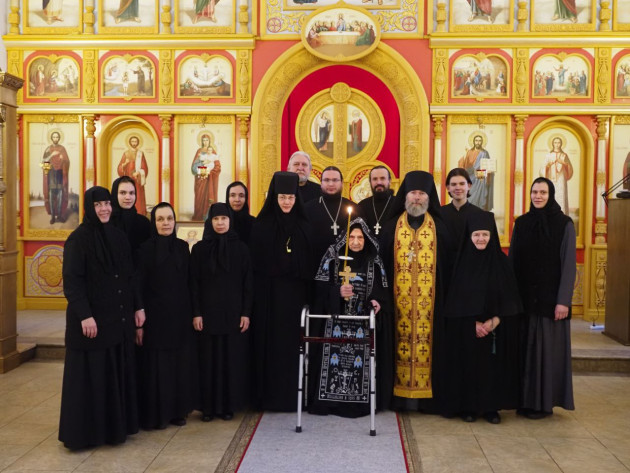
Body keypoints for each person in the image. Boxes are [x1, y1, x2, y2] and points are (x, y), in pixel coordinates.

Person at [59, 186, 140, 449]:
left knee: (111, 375)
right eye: (98, 205)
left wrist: (136, 307)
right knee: (91, 378)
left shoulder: (117, 236)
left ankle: (113, 431)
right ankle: (86, 435)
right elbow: (72, 282)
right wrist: (85, 316)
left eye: (106, 203)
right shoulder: (77, 239)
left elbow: (128, 276)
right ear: (89, 208)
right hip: (90, 321)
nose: (104, 209)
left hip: (115, 319)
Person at [380, 171, 454, 413]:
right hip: (396, 306)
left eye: (422, 193)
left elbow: (448, 270)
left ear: (429, 197)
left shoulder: (440, 229)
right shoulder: (391, 228)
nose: (417, 198)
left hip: (431, 308)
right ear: (405, 195)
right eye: (413, 193)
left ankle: (428, 400)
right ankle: (397, 397)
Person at [442, 211, 522, 424]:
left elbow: (511, 299)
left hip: (495, 329)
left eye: (485, 235)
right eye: (476, 234)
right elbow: (453, 303)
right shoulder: (460, 264)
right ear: (469, 236)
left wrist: (494, 321)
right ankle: (467, 407)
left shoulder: (502, 263)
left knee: (492, 369)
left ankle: (490, 408)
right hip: (466, 328)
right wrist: (472, 324)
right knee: (468, 366)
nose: (481, 239)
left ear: (491, 236)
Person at [311, 218, 393, 416]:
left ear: (366, 239)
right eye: (352, 237)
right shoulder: (332, 258)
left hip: (362, 323)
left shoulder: (374, 261)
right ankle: (331, 401)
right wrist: (337, 292)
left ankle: (360, 403)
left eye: (360, 238)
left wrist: (376, 301)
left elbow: (382, 291)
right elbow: (318, 290)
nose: (356, 242)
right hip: (335, 323)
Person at [509, 177, 576, 420]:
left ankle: (543, 404)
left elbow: (568, 265)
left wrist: (563, 301)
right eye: (534, 192)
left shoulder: (564, 224)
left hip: (551, 303)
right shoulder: (522, 223)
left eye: (543, 192)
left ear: (551, 195)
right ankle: (524, 401)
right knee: (525, 352)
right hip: (525, 300)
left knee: (546, 354)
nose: (538, 196)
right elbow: (513, 260)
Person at [250, 172, 314, 411]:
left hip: (296, 298)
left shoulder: (305, 226)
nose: (286, 202)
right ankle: (268, 398)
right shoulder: (261, 226)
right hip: (269, 298)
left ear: (297, 198)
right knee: (270, 347)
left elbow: (310, 264)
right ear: (274, 198)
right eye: (282, 197)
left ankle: (294, 397)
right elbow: (256, 265)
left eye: (290, 197)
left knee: (293, 346)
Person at [191, 203, 253, 421]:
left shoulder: (241, 249)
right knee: (208, 361)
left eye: (224, 219)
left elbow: (248, 283)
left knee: (230, 361)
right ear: (210, 221)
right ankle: (208, 408)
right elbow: (193, 283)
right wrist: (196, 312)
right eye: (216, 219)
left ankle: (228, 406)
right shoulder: (199, 249)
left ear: (230, 221)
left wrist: (246, 313)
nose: (220, 223)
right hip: (207, 315)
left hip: (233, 315)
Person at [135, 203, 194, 429]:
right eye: (160, 219)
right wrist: (139, 317)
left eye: (169, 218)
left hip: (179, 316)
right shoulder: (144, 249)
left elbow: (189, 281)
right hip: (154, 318)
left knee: (178, 366)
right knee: (157, 367)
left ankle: (177, 412)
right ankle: (156, 415)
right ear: (154, 222)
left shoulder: (182, 247)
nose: (166, 223)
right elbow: (137, 285)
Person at [304, 166, 360, 262]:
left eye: (335, 180)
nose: (331, 184)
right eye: (326, 180)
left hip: (346, 264)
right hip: (314, 263)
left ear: (342, 183)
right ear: (321, 183)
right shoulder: (307, 208)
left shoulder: (355, 209)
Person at [110, 176, 152, 260]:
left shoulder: (144, 223)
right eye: (123, 193)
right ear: (115, 194)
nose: (128, 197)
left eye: (132, 193)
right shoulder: (107, 223)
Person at [440, 168, 483, 246]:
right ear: (448, 188)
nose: (458, 188)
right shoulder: (439, 214)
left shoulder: (479, 214)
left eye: (462, 184)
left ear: (469, 186)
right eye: (453, 184)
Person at [457, 135, 494, 211]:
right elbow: (464, 164)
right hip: (471, 177)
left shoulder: (485, 153)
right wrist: (465, 155)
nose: (478, 142)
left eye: (480, 141)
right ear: (473, 142)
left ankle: (480, 211)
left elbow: (488, 165)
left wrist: (490, 171)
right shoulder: (469, 152)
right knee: (470, 194)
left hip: (481, 178)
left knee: (481, 196)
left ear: (482, 142)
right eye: (476, 140)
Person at [42, 131, 70, 225]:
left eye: (57, 137)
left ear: (59, 138)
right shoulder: (48, 149)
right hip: (51, 174)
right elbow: (44, 161)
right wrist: (52, 155)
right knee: (51, 195)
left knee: (60, 195)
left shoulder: (62, 149)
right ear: (51, 138)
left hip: (60, 174)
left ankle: (60, 215)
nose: (55, 139)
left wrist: (63, 158)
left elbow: (67, 161)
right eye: (54, 137)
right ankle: (53, 216)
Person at [539, 136, 573, 215]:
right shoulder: (548, 155)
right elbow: (542, 169)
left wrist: (563, 163)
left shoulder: (564, 155)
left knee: (561, 196)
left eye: (558, 143)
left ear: (561, 144)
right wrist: (548, 165)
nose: (557, 144)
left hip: (561, 179)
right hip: (551, 178)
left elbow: (570, 168)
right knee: (551, 195)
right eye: (555, 143)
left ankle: (562, 216)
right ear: (552, 144)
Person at [358, 165, 395, 236]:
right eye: (375, 179)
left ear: (389, 181)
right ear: (370, 182)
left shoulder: (398, 204)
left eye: (382, 178)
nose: (379, 182)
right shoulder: (362, 206)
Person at [191, 133, 221, 220]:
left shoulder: (213, 152)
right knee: (199, 197)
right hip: (200, 179)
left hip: (210, 180)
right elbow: (193, 168)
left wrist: (210, 172)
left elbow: (218, 167)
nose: (205, 142)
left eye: (207, 140)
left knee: (209, 198)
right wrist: (203, 170)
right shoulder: (199, 152)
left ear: (210, 141)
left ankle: (208, 216)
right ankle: (199, 216)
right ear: (201, 141)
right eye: (203, 140)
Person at [117, 135, 149, 216]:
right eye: (132, 141)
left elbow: (144, 167)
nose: (134, 143)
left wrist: (139, 173)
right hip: (128, 179)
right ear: (130, 142)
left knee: (138, 195)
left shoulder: (140, 154)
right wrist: (125, 164)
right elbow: (120, 167)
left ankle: (140, 213)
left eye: (135, 141)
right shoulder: (126, 153)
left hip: (137, 179)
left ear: (138, 143)